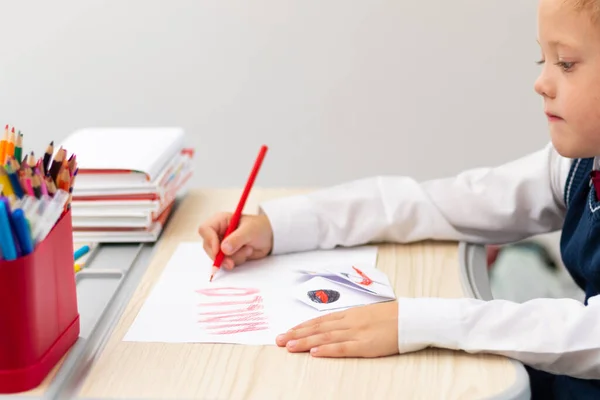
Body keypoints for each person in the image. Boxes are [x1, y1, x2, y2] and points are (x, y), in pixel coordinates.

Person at [198, 0, 600, 397]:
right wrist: (281, 225)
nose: (541, 83)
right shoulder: (578, 166)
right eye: (541, 61)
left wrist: (416, 321)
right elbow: (439, 204)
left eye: (565, 63)